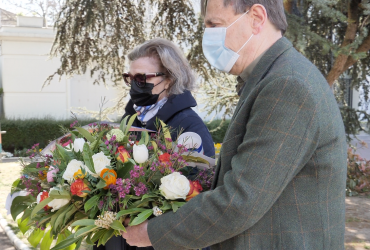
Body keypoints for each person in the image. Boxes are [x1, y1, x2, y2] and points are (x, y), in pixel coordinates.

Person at [121, 0, 347, 249]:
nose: (208, 36)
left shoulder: (287, 85)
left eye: (214, 24)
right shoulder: (272, 78)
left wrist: (153, 232)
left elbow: (240, 200)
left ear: (257, 17)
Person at [94, 38, 215, 250]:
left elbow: (194, 202)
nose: (134, 85)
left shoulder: (189, 128)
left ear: (168, 79)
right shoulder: (129, 122)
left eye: (141, 78)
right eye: (129, 78)